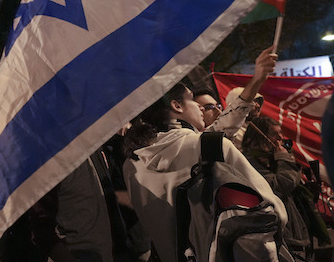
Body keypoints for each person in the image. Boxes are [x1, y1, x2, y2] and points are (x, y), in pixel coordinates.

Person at [123, 82, 286, 262]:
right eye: (192, 99)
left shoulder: (131, 165)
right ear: (176, 106)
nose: (200, 106)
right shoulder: (212, 145)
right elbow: (271, 209)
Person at [243, 117, 313, 261]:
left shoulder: (274, 160)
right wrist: (284, 159)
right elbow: (280, 185)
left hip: (295, 236)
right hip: (280, 240)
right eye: (275, 134)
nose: (280, 138)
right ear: (257, 138)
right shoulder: (248, 164)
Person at [198, 47, 277, 150]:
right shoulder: (196, 142)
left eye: (218, 106)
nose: (218, 111)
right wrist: (257, 79)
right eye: (209, 107)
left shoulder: (259, 131)